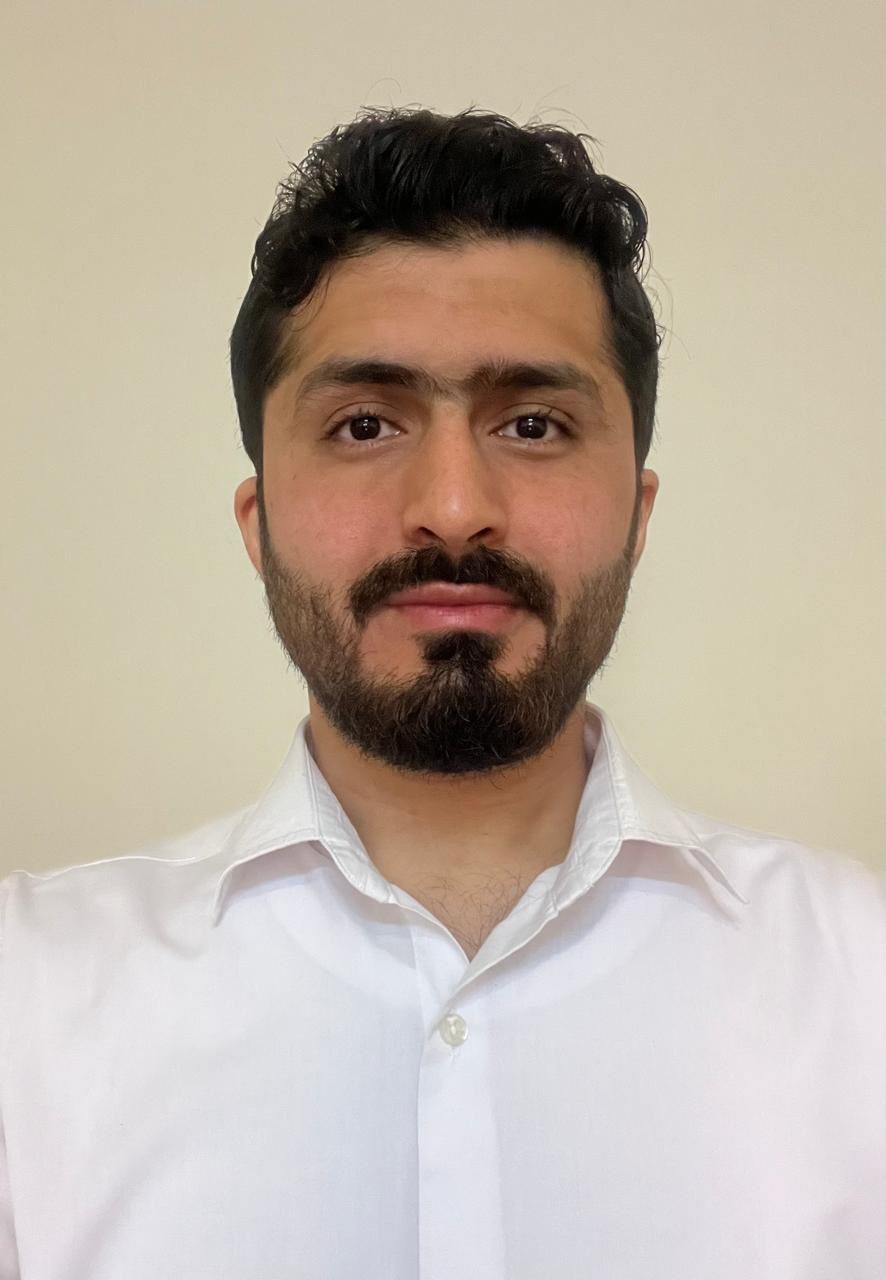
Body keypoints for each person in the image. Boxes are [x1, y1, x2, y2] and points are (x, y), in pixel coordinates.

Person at [1, 106, 883, 1279]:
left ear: (637, 515)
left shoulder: (860, 979)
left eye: (534, 422)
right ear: (259, 525)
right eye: (365, 423)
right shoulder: (29, 1000)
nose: (455, 507)